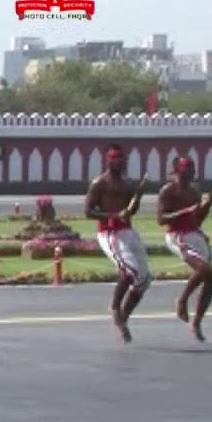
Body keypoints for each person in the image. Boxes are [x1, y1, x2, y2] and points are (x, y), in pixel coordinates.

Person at [84, 144, 151, 342]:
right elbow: (88, 211)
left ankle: (123, 316)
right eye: (116, 159)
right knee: (130, 271)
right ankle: (114, 306)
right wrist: (113, 215)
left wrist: (138, 195)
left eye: (122, 159)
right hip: (109, 233)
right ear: (108, 161)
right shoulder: (99, 183)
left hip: (127, 231)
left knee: (145, 278)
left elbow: (132, 210)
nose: (120, 162)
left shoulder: (128, 184)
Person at [156, 156, 212, 342]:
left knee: (211, 277)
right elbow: (161, 219)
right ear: (176, 170)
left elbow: (198, 218)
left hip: (194, 233)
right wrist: (183, 212)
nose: (192, 171)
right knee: (204, 269)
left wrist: (209, 203)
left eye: (193, 168)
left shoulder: (195, 190)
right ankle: (182, 300)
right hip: (178, 236)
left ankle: (197, 321)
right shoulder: (168, 190)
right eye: (187, 168)